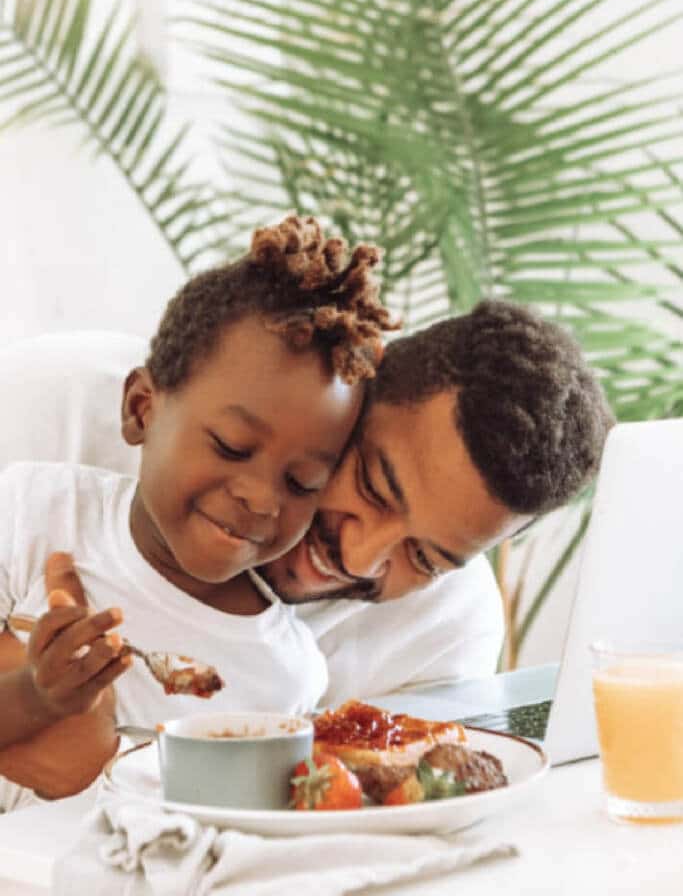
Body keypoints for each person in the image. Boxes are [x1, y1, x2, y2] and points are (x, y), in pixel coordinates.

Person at [0, 215, 394, 811]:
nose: (262, 498)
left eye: (301, 481)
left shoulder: (284, 677)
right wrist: (37, 696)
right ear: (142, 408)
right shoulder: (35, 512)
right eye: (232, 447)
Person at [261, 299, 614, 704]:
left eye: (424, 559)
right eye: (373, 489)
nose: (359, 559)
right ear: (356, 380)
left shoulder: (451, 629)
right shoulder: (199, 481)